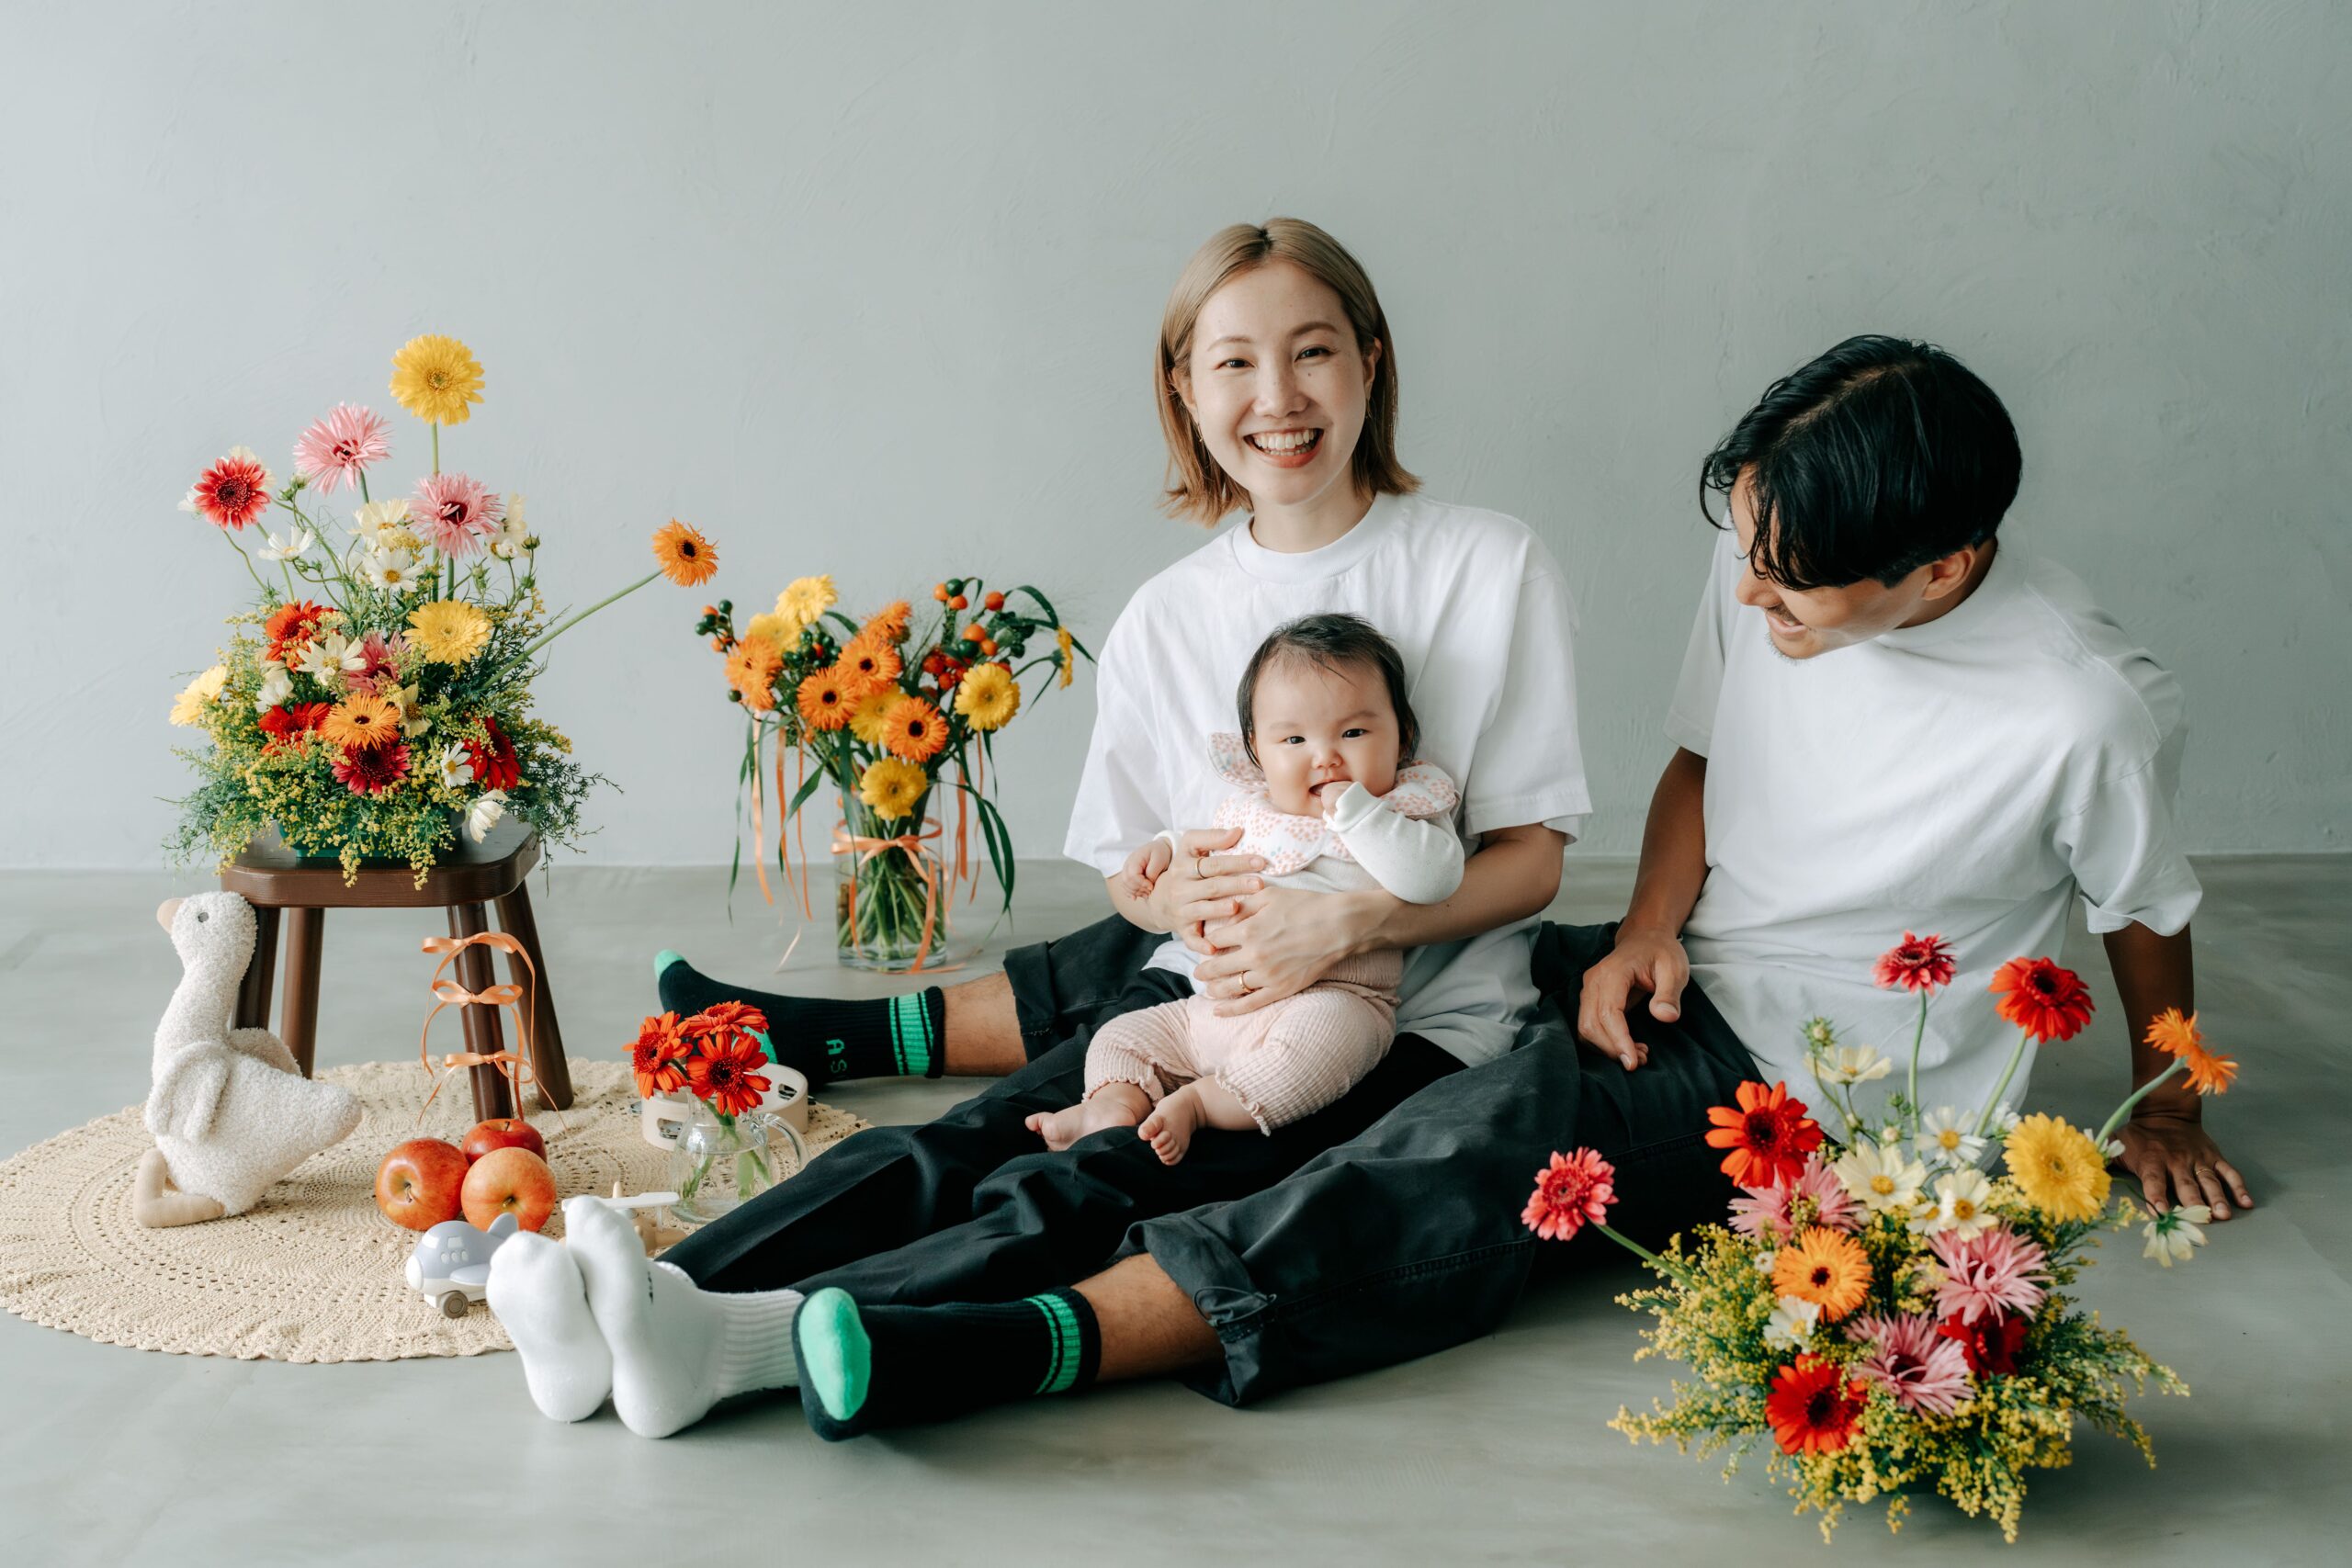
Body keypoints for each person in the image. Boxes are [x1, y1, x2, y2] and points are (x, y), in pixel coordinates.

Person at [763, 332, 2246, 1440]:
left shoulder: (2080, 708)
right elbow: (1700, 766)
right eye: (1747, 552)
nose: (1747, 596)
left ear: (1944, 567)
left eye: (1789, 588)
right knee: (1289, 914)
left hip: (1822, 1071)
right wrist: (1649, 929)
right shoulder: (1772, 546)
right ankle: (825, 1207)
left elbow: (2143, 905)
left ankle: (994, 1341)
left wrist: (2169, 1101)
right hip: (1671, 963)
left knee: (1457, 1146)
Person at [485, 216, 1594, 1437]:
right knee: (966, 1136)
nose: (1278, 396)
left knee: (1093, 1173)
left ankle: (732, 1343)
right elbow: (1133, 873)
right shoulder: (1172, 615)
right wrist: (1171, 900)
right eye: (1233, 361)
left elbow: (1534, 858)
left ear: (1372, 362)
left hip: (1398, 1030)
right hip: (1206, 997)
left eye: (1314, 351)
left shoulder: (1488, 565)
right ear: (1184, 384)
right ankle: (642, 1294)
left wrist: (1347, 921)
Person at [1028, 612, 1466, 1163]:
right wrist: (1164, 851)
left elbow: (1435, 879)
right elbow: (1202, 839)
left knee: (1320, 1048)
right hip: (1216, 1006)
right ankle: (1115, 1101)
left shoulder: (1404, 808)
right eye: (1294, 738)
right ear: (1258, 749)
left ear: (1402, 735)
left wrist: (1358, 814)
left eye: (1354, 732)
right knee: (1124, 1035)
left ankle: (1200, 1105)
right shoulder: (1257, 808)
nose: (1325, 756)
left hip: (1335, 1000)